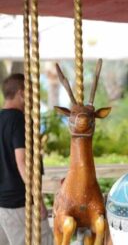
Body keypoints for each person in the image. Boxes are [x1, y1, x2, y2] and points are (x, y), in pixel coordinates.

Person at [0, 73, 53, 245]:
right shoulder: (19, 120)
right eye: (31, 92)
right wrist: (38, 200)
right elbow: (22, 162)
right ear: (21, 93)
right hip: (20, 203)